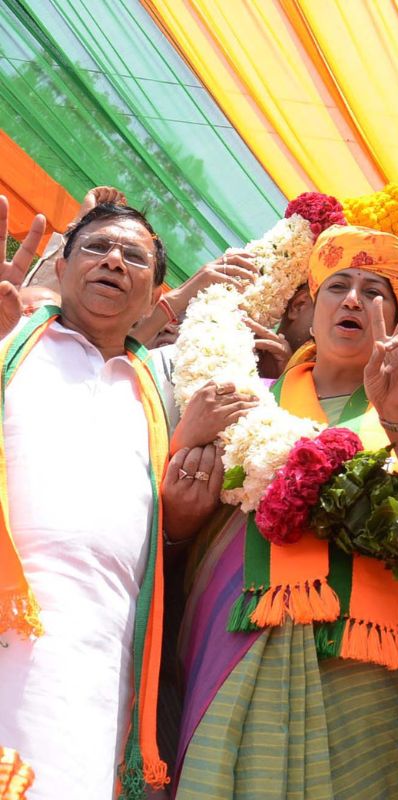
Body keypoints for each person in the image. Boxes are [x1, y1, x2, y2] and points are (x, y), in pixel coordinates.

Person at [170, 217, 398, 800]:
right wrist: (188, 441)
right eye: (338, 285)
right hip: (239, 636)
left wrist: (396, 418)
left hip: (372, 666)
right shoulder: (242, 398)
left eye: (374, 289)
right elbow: (180, 509)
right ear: (309, 307)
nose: (354, 299)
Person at [0, 199, 180, 799]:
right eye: (97, 248)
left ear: (155, 297)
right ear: (61, 264)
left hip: (102, 653)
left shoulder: (158, 391)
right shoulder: (13, 339)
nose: (113, 261)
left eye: (134, 257)